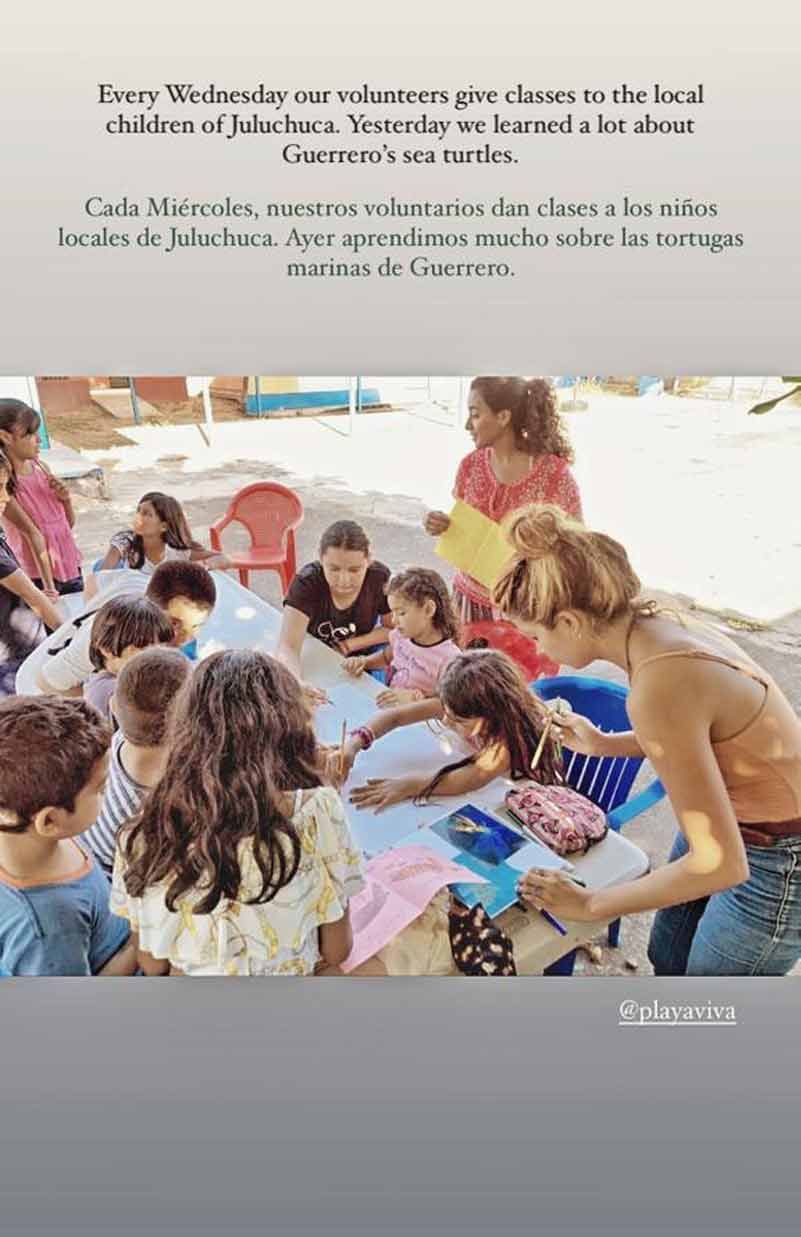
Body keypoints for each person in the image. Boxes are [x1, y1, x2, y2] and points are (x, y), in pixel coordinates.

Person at [492, 503, 801, 977]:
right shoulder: (657, 622)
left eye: (535, 635)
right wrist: (604, 743)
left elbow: (720, 865)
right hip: (739, 822)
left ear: (571, 622)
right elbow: (706, 731)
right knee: (669, 956)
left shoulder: (658, 684)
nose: (539, 649)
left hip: (779, 855)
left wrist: (592, 903)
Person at [111, 649, 366, 976]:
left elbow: (151, 963)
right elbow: (337, 950)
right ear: (290, 734)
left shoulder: (141, 835)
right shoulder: (319, 811)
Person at [423, 377, 582, 623]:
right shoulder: (470, 465)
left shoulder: (554, 475)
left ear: (503, 417)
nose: (468, 425)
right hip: (468, 603)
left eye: (475, 414)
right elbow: (465, 521)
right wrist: (443, 524)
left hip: (526, 614)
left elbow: (578, 546)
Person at [0, 696, 136, 975]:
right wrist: (140, 942)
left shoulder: (22, 826)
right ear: (50, 821)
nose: (107, 793)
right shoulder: (49, 926)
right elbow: (76, 1002)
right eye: (100, 787)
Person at [340, 648, 561, 813]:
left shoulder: (508, 740)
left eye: (457, 720)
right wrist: (354, 743)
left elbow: (470, 778)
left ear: (491, 716)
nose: (445, 720)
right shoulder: (461, 702)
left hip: (525, 806)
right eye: (446, 712)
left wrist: (408, 785)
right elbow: (397, 716)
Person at [32, 559, 216, 697]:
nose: (184, 638)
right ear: (148, 605)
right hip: (44, 679)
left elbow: (93, 580)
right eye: (175, 624)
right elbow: (45, 682)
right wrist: (94, 695)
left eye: (196, 626)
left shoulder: (138, 580)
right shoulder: (108, 639)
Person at [83, 647, 191, 875]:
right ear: (185, 729)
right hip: (112, 871)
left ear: (113, 706)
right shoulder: (165, 800)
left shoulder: (120, 738)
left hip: (86, 845)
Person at [276, 519, 392, 700]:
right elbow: (288, 646)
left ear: (369, 560)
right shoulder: (307, 582)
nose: (344, 581)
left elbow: (393, 629)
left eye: (354, 570)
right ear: (321, 559)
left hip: (365, 656)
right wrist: (296, 682)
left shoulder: (379, 577)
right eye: (334, 569)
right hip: (317, 654)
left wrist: (349, 645)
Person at [343, 566, 461, 707]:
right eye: (392, 613)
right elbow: (387, 657)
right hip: (391, 707)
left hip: (419, 720)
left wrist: (417, 699)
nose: (394, 621)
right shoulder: (401, 636)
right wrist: (364, 662)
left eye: (401, 613)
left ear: (429, 609)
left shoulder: (450, 658)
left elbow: (449, 702)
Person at [0, 398, 82, 596]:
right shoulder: (4, 484)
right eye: (29, 434)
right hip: (38, 577)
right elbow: (32, 534)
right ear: (5, 436)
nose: (39, 440)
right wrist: (48, 588)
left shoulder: (42, 468)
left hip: (69, 566)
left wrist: (66, 500)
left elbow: (66, 526)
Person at [0, 458, 64, 697]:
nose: (6, 497)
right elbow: (31, 594)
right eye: (0, 486)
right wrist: (69, 637)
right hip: (16, 658)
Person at [83, 595, 177, 721]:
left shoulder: (127, 681)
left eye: (161, 648)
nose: (156, 658)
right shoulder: (108, 691)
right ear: (106, 649)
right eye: (143, 650)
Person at [94, 491, 231, 577]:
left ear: (164, 526)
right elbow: (102, 577)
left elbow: (224, 559)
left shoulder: (177, 551)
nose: (138, 517)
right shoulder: (125, 542)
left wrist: (205, 567)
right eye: (138, 511)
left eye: (147, 514)